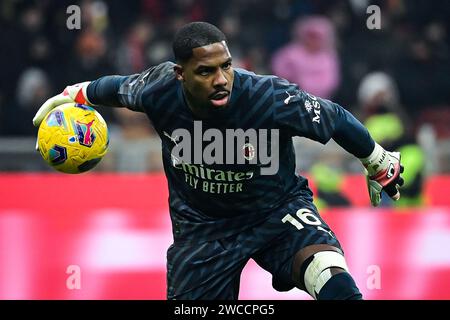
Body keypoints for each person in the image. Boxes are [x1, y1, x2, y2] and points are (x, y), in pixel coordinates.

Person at [33, 22, 404, 300]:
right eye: (206, 71)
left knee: (326, 269)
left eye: (225, 66)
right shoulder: (158, 89)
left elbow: (334, 116)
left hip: (276, 210)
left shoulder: (265, 96)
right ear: (181, 75)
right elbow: (114, 88)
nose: (221, 79)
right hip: (201, 230)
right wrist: (73, 93)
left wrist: (376, 160)